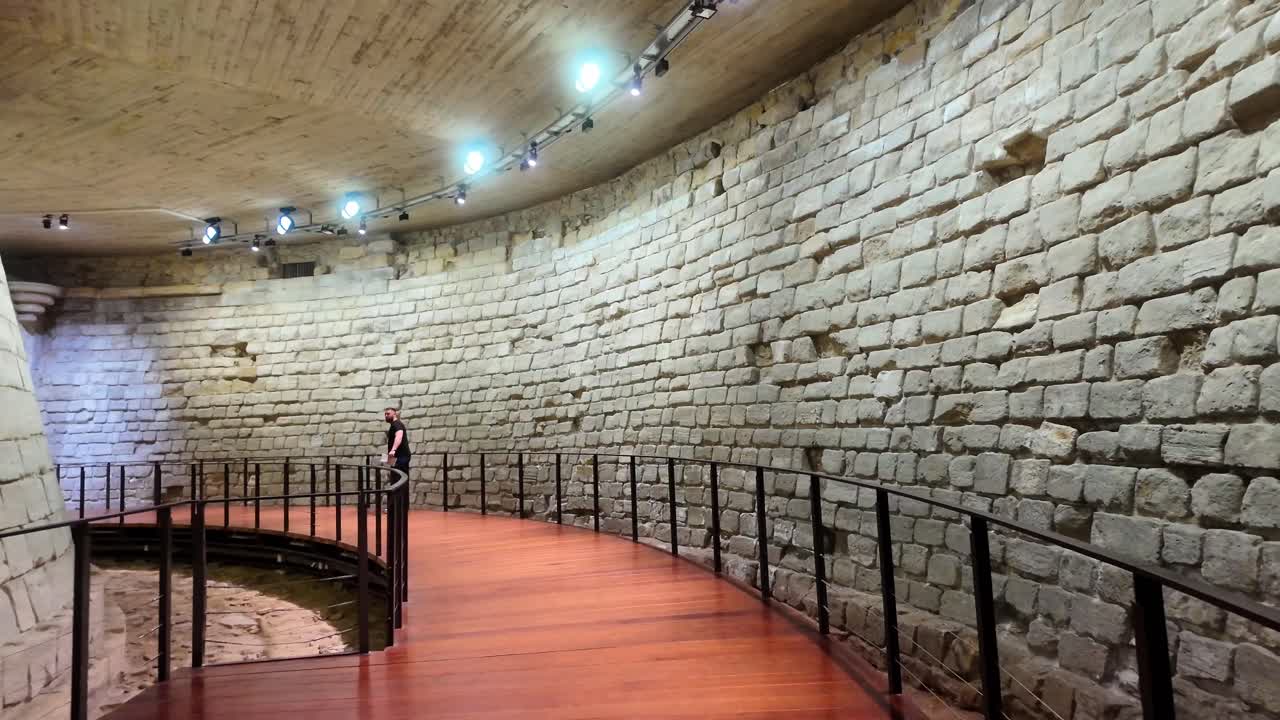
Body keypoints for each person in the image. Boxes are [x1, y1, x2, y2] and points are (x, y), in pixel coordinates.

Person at [383, 407, 411, 476]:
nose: (386, 415)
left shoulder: (397, 424)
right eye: (385, 414)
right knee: (394, 476)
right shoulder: (393, 425)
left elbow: (399, 436)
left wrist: (393, 450)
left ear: (394, 414)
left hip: (400, 457)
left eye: (388, 414)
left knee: (399, 477)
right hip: (395, 456)